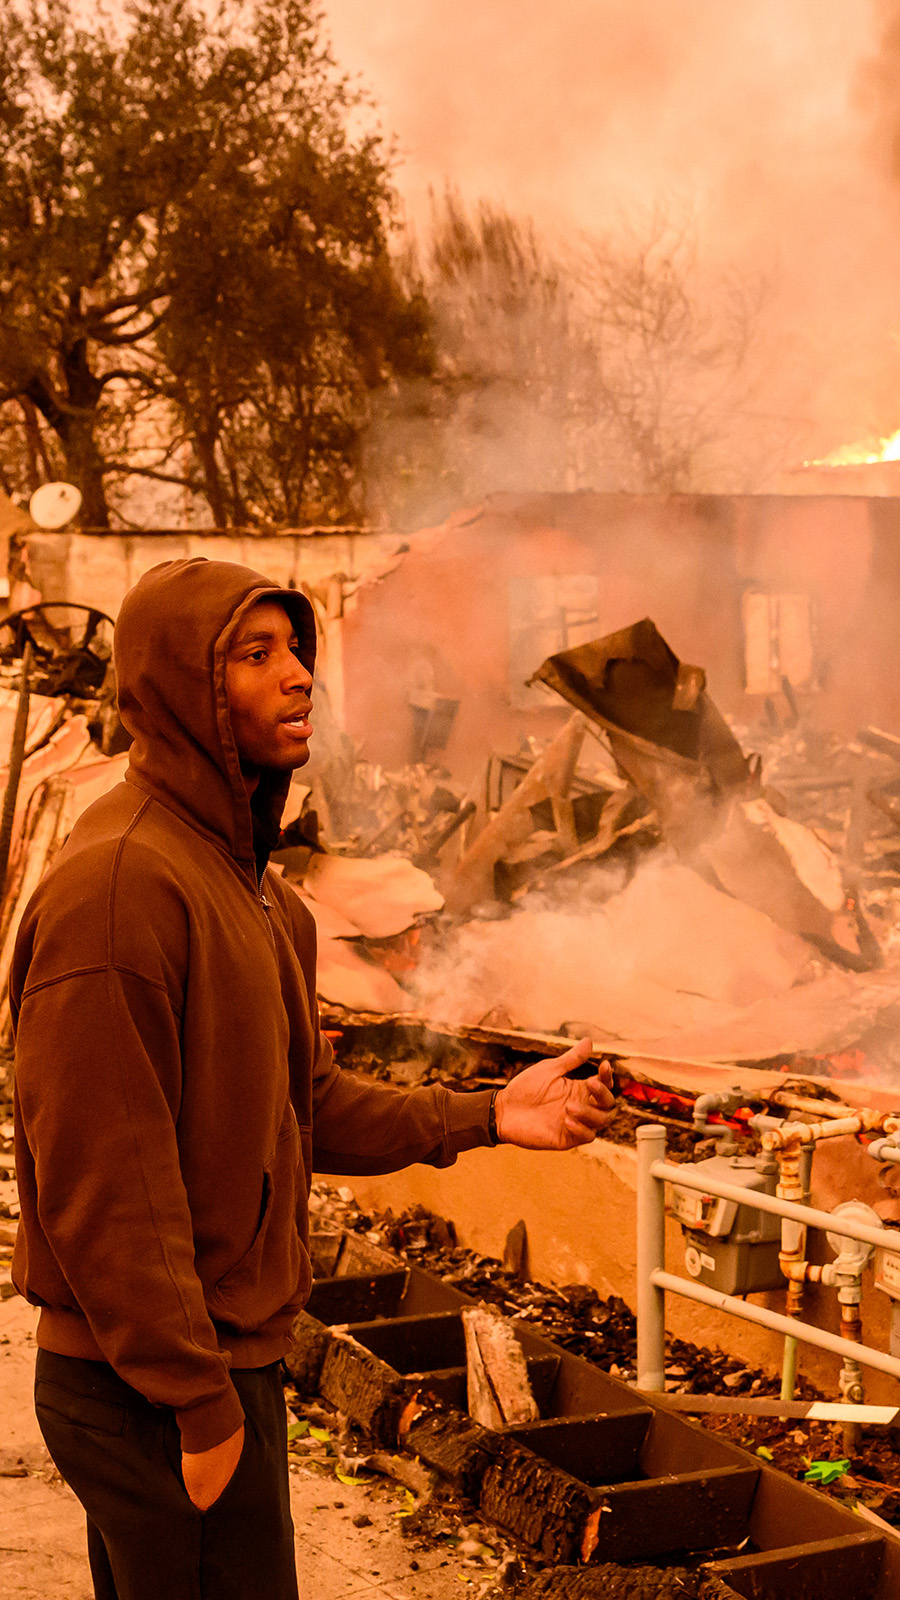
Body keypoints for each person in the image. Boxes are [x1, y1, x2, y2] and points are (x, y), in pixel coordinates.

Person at [11, 558, 615, 1600]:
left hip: (222, 1364)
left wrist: (486, 1114)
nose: (298, 678)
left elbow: (309, 1107)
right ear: (178, 690)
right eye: (255, 655)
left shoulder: (259, 896)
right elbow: (106, 1187)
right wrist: (199, 1407)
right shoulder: (118, 891)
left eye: (298, 650)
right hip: (143, 1385)